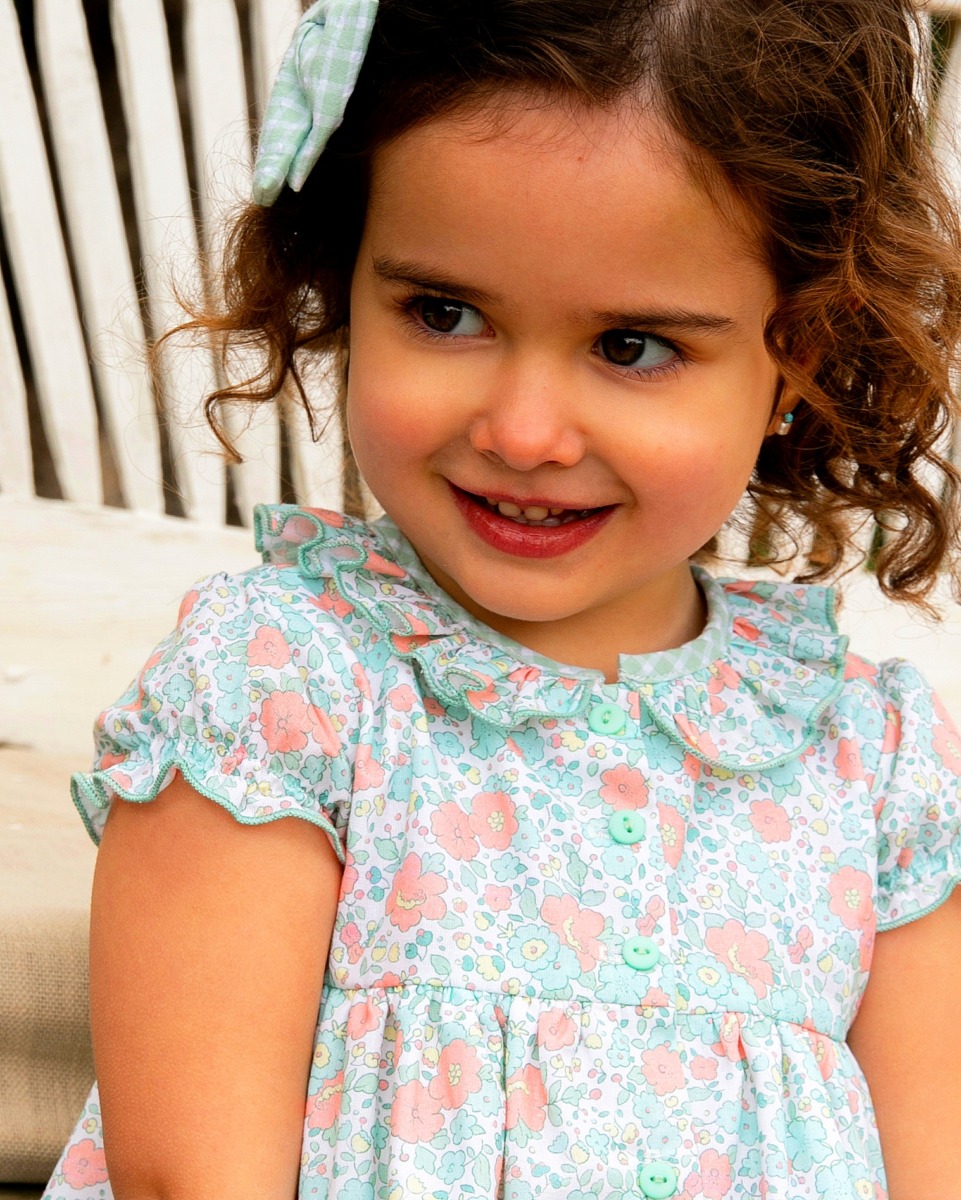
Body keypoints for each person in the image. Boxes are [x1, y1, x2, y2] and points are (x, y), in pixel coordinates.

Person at [42, 0, 961, 1197]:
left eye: (631, 346)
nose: (523, 433)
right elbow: (189, 1176)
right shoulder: (278, 687)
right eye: (444, 312)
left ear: (798, 352)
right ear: (343, 281)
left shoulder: (868, 759)